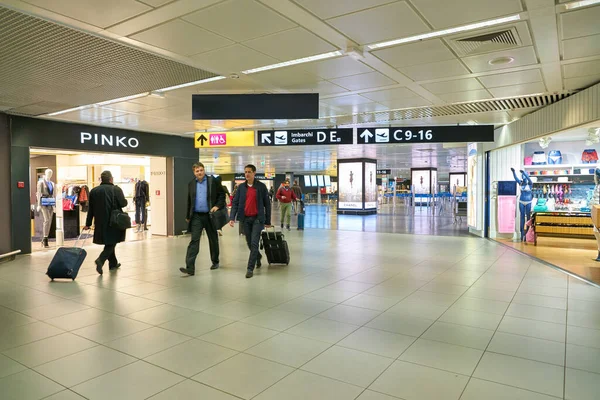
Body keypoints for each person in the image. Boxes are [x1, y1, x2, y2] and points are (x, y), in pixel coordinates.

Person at [179, 162, 225, 276]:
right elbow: (189, 201)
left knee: (212, 239)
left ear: (204, 170)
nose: (199, 172)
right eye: (197, 171)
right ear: (194, 172)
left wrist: (217, 206)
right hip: (196, 216)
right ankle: (190, 267)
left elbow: (222, 195)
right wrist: (187, 216)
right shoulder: (191, 184)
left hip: (209, 215)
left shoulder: (212, 181)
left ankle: (215, 261)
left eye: (201, 170)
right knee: (194, 240)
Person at [229, 164, 272, 278]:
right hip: (245, 219)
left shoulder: (261, 187)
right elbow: (235, 203)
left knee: (254, 243)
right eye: (245, 172)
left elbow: (267, 205)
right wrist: (232, 218)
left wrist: (267, 221)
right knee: (249, 242)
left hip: (258, 219)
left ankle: (250, 268)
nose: (247, 174)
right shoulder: (241, 188)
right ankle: (257, 256)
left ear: (254, 173)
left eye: (249, 172)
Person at [84, 170, 127, 275]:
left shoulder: (94, 191)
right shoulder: (116, 189)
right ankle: (101, 260)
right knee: (112, 242)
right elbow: (123, 203)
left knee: (110, 241)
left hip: (100, 222)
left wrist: (88, 223)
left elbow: (91, 210)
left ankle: (113, 263)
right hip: (114, 221)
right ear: (111, 179)